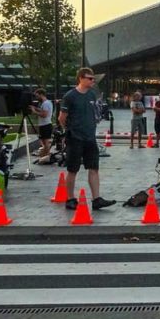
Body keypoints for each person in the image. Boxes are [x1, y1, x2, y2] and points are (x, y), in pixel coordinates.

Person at [58, 67, 115, 211]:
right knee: (72, 169)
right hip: (75, 138)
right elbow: (61, 118)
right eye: (90, 78)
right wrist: (70, 130)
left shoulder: (91, 94)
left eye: (93, 78)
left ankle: (96, 199)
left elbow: (94, 112)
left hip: (90, 137)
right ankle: (70, 198)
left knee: (94, 168)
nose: (92, 81)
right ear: (81, 78)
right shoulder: (70, 96)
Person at [29, 88, 53, 161]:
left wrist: (34, 111)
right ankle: (45, 156)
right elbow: (43, 111)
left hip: (46, 125)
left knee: (45, 142)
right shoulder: (46, 103)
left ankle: (47, 156)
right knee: (43, 142)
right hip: (44, 125)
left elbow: (44, 114)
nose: (36, 98)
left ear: (41, 94)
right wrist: (36, 108)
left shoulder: (45, 103)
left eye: (37, 96)